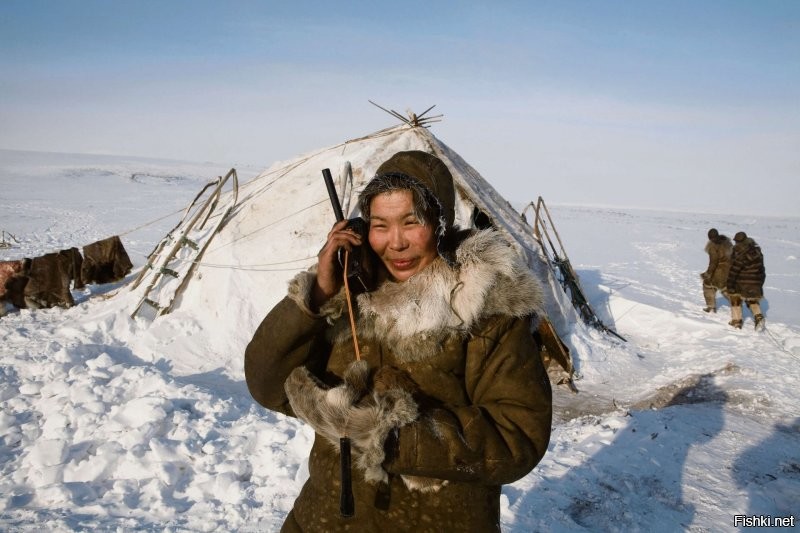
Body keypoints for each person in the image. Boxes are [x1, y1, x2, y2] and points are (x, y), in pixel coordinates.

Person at [244, 150, 553, 532]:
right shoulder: (347, 293)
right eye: (380, 225)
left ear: (440, 223)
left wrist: (391, 436)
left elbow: (517, 435)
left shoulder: (484, 309)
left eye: (411, 222)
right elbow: (267, 385)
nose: (396, 243)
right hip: (322, 521)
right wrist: (319, 295)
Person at [726, 231, 766, 330]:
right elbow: (762, 268)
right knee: (752, 299)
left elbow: (734, 270)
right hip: (756, 281)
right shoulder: (757, 251)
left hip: (741, 281)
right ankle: (759, 317)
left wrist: (730, 285)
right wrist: (760, 281)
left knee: (735, 298)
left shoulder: (739, 253)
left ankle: (737, 321)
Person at [700, 228, 732, 313]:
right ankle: (736, 304)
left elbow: (713, 262)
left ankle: (711, 307)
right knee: (725, 287)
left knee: (708, 285)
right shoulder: (727, 243)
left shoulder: (713, 246)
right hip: (729, 270)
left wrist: (708, 273)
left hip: (719, 270)